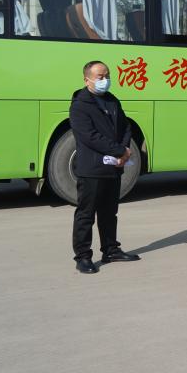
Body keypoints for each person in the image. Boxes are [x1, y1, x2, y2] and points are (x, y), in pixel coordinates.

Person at [69, 61, 141, 274]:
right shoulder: (80, 105)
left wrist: (125, 149)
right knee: (86, 214)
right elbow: (89, 136)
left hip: (113, 167)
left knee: (109, 212)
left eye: (107, 75)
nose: (105, 80)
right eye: (100, 76)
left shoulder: (111, 100)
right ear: (87, 80)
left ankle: (110, 250)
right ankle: (83, 256)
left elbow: (125, 126)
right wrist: (119, 150)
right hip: (92, 169)